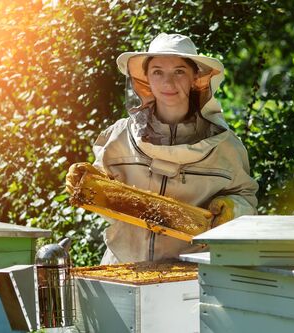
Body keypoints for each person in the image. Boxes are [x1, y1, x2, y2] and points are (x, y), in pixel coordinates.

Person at [69, 33, 258, 264]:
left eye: (179, 71)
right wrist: (88, 184)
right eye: (157, 72)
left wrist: (233, 208)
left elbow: (248, 201)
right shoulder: (118, 137)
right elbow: (105, 204)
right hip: (125, 266)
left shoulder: (226, 146)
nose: (168, 83)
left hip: (192, 275)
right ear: (146, 78)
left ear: (195, 77)